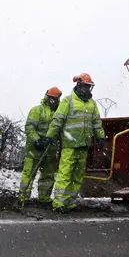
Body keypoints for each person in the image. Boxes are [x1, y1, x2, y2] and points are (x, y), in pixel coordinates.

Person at [44, 73, 105, 212]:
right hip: (70, 145)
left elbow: (96, 122)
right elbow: (57, 120)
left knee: (77, 175)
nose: (87, 89)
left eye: (89, 87)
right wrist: (50, 136)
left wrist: (100, 137)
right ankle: (59, 203)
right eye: (85, 86)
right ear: (78, 85)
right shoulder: (68, 101)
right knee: (65, 173)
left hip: (84, 145)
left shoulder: (92, 104)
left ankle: (70, 202)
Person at [18, 87, 62, 204]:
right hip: (34, 148)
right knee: (29, 173)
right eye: (50, 98)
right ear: (47, 97)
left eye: (55, 99)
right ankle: (23, 196)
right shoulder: (37, 110)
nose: (52, 101)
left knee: (48, 174)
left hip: (50, 149)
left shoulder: (60, 113)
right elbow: (29, 127)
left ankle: (44, 197)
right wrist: (37, 140)